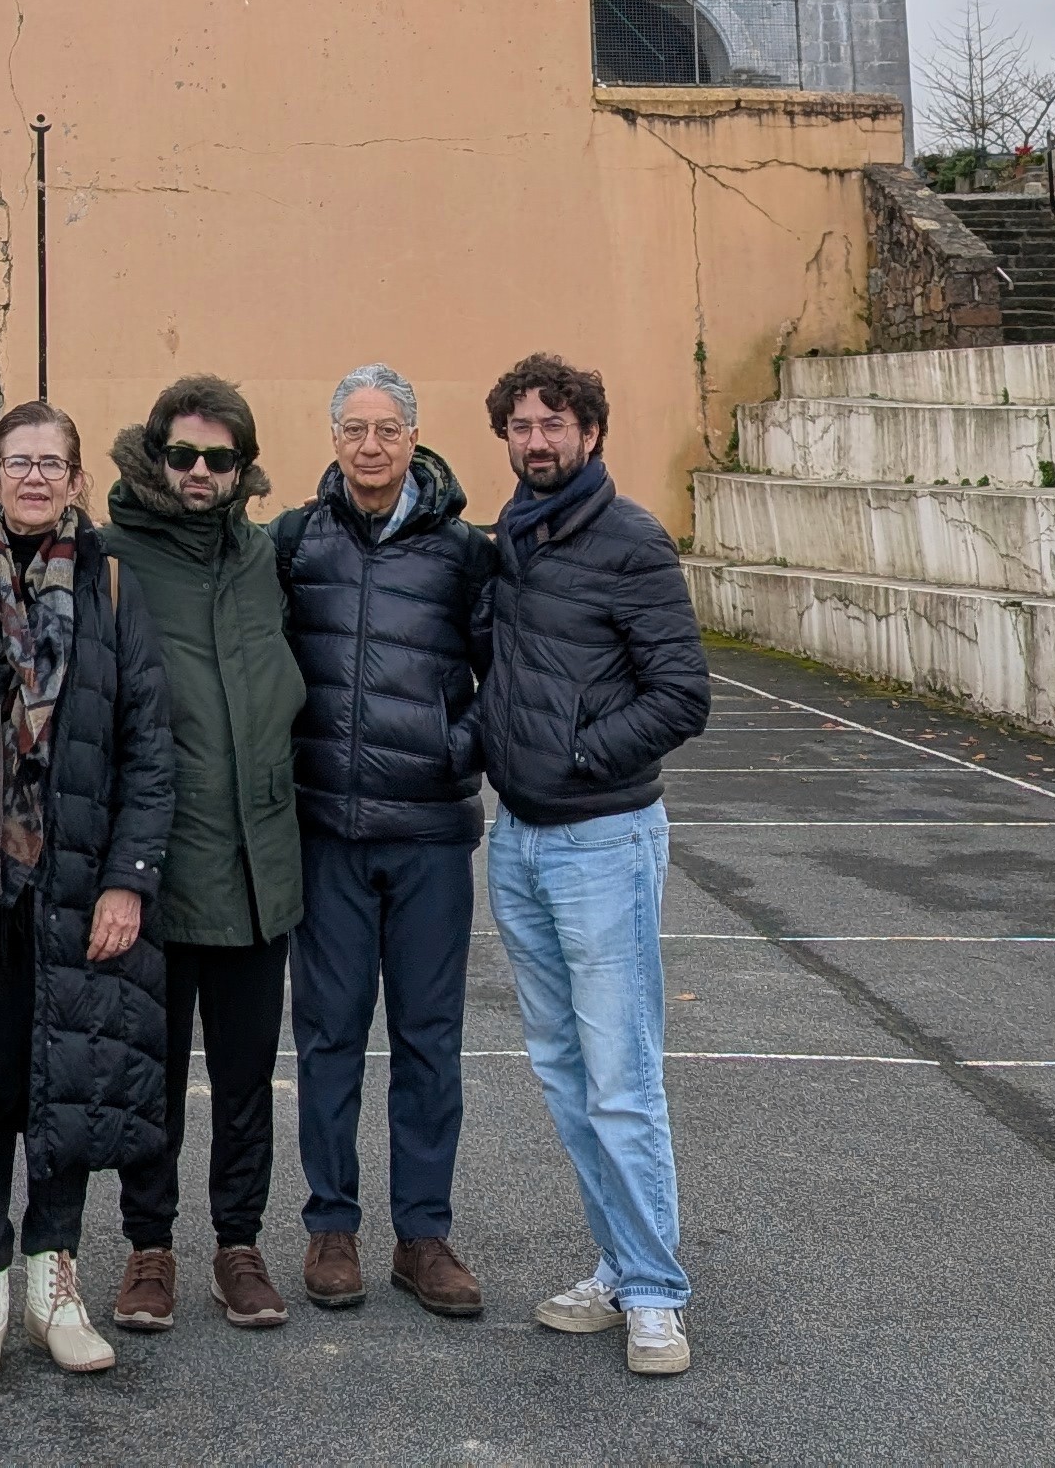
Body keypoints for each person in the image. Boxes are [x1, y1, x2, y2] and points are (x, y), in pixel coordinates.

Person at [0, 396, 177, 1386]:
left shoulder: (111, 584)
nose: (32, 476)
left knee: (66, 1091)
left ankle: (56, 1286)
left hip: (74, 893)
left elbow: (151, 750)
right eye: (16, 460)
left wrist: (127, 884)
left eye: (49, 462)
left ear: (74, 479)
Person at [477, 353, 711, 1379]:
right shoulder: (512, 540)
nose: (538, 440)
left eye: (555, 425)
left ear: (592, 434)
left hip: (603, 840)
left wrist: (574, 756)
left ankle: (657, 1296)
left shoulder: (631, 542)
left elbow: (681, 695)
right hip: (519, 841)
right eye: (523, 425)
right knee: (568, 1076)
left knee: (621, 1079)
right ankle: (619, 1264)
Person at [273, 361, 494, 1320]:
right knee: (327, 1036)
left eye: (388, 429)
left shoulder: (463, 552)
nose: (371, 445)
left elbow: (508, 674)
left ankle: (424, 1234)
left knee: (428, 1037)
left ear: (415, 437)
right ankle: (332, 1227)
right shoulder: (294, 542)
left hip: (431, 834)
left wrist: (458, 746)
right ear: (333, 441)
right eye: (355, 429)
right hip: (326, 832)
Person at [101, 372, 309, 1334]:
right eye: (182, 453)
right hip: (153, 863)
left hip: (258, 863)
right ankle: (148, 1248)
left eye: (218, 458)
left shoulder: (266, 556)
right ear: (156, 455)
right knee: (149, 1072)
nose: (197, 471)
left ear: (242, 468)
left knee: (243, 1074)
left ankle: (238, 1244)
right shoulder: (111, 560)